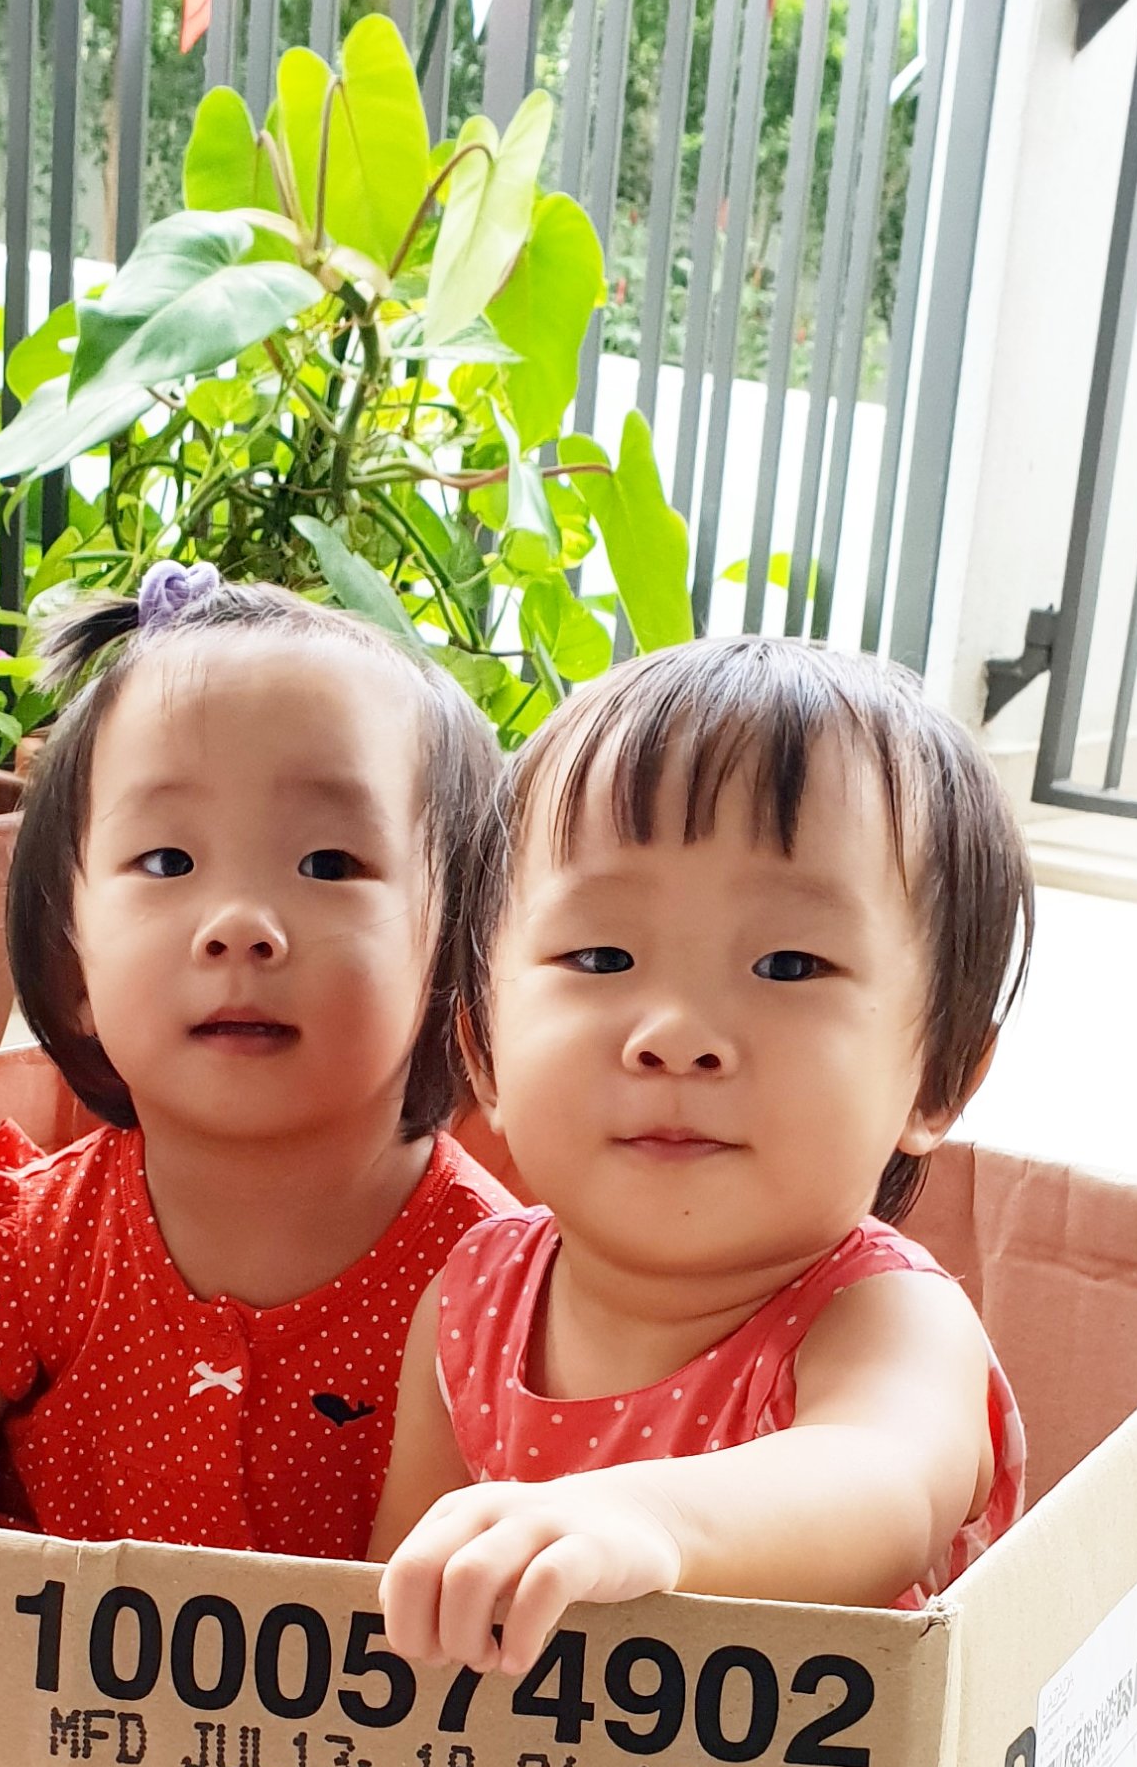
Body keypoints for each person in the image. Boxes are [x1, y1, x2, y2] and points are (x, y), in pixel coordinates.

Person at [0, 566, 513, 1558]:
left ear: (454, 955)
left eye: (329, 864)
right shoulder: (37, 1246)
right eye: (168, 862)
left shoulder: (503, 1282)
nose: (239, 927)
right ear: (74, 963)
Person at [372, 635, 1034, 1672]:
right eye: (600, 956)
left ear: (939, 1077)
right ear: (482, 1048)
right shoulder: (473, 1301)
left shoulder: (885, 1317)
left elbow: (889, 1487)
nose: (676, 1032)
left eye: (788, 963)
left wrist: (648, 1520)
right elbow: (391, 1610)